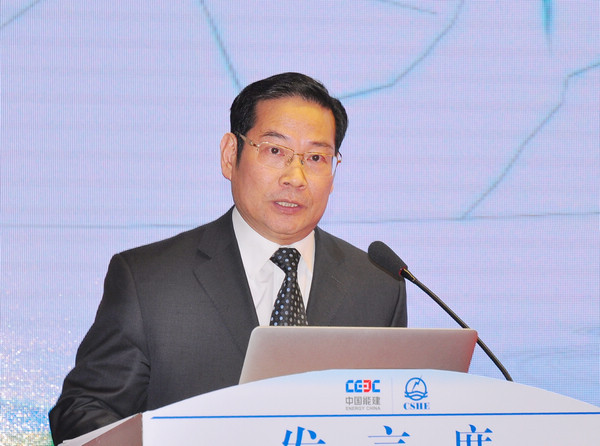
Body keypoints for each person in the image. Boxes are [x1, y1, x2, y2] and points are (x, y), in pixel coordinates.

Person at [48, 72, 407, 444]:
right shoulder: (149, 280)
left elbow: (398, 419)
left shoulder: (378, 285)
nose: (295, 177)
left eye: (316, 157)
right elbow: (83, 411)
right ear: (230, 155)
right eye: (275, 151)